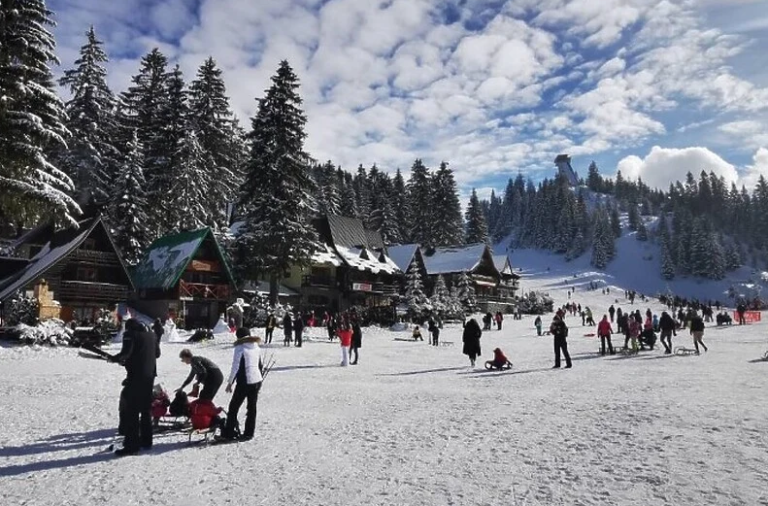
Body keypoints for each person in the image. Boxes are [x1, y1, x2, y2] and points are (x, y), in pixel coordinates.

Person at [109, 318, 160, 456]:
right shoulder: (152, 334)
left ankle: (132, 445)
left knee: (131, 410)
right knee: (145, 409)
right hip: (149, 376)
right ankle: (146, 440)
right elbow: (157, 354)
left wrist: (116, 358)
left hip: (136, 376)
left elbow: (126, 353)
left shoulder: (130, 334)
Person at [222, 328, 263, 442]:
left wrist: (230, 383)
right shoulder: (256, 346)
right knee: (252, 408)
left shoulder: (240, 348)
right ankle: (249, 433)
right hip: (256, 380)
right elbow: (260, 365)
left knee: (233, 407)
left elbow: (235, 367)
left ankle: (229, 432)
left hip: (244, 381)